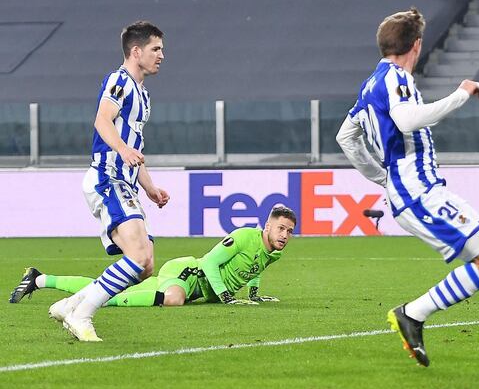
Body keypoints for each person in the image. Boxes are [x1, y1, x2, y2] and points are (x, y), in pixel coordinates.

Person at [336, 8, 479, 368]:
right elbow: (405, 119)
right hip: (417, 191)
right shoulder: (395, 79)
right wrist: (460, 95)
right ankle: (412, 313)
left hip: (419, 189)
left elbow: (346, 136)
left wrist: (382, 177)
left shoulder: (371, 84)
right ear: (416, 46)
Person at [47, 21, 168, 341]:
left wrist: (150, 186)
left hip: (125, 182)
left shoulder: (143, 94)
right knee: (139, 257)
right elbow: (102, 119)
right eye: (156, 49)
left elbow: (135, 149)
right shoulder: (119, 81)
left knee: (145, 267)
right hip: (107, 178)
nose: (162, 55)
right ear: (136, 51)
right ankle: (81, 315)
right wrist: (122, 148)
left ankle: (71, 304)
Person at [10, 206, 296, 308]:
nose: (284, 235)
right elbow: (209, 262)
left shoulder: (273, 252)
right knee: (172, 299)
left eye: (289, 231)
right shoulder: (245, 236)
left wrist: (255, 293)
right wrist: (225, 296)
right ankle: (102, 301)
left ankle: (40, 279)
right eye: (280, 228)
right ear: (267, 225)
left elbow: (256, 267)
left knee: (111, 285)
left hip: (199, 288)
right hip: (189, 273)